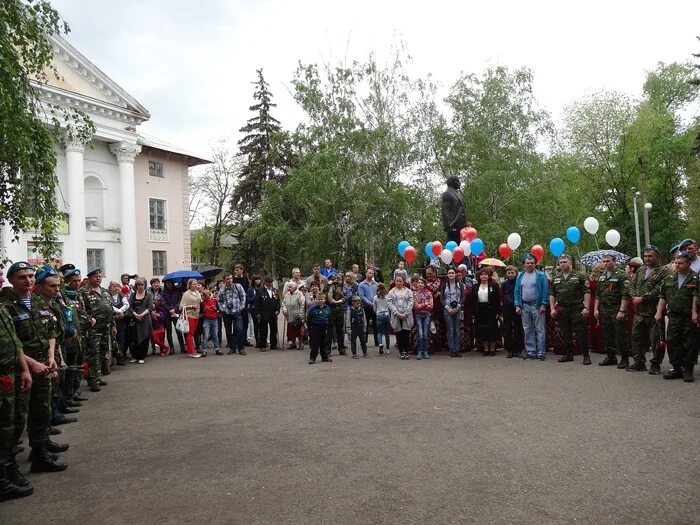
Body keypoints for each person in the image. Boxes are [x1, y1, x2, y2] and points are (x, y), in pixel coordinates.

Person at [1, 262, 67, 474]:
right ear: (11, 280)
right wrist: (32, 364)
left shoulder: (38, 302)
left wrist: (51, 357)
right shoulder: (6, 305)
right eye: (22, 277)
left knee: (42, 408)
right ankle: (8, 466)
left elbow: (51, 331)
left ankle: (39, 451)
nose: (28, 280)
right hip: (22, 367)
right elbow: (13, 342)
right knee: (17, 417)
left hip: (43, 363)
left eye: (30, 276)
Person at [0, 296, 33, 501]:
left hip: (10, 373)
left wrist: (24, 369)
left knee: (10, 424)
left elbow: (16, 342)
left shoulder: (2, 309)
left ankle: (8, 468)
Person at [628, 245, 670, 373]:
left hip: (654, 311)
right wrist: (634, 296)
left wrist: (643, 298)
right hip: (639, 311)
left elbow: (661, 289)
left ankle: (656, 363)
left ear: (658, 257)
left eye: (650, 256)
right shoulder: (641, 270)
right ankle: (639, 362)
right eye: (645, 256)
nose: (647, 259)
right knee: (636, 337)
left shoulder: (665, 271)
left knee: (656, 339)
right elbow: (632, 284)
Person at [656, 252, 697, 382]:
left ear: (689, 263)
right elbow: (663, 297)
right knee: (672, 342)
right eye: (675, 262)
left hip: (689, 317)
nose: (677, 265)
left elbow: (697, 297)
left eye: (680, 263)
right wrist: (658, 312)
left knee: (689, 343)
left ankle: (688, 370)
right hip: (673, 316)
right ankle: (677, 368)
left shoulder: (696, 278)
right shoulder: (669, 278)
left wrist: (695, 313)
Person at [549, 254, 592, 365]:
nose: (562, 264)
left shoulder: (580, 275)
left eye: (565, 262)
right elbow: (552, 295)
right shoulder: (557, 278)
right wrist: (552, 308)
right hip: (562, 308)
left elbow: (587, 292)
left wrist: (586, 307)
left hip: (577, 308)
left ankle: (586, 356)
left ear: (570, 263)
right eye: (561, 263)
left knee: (581, 332)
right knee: (565, 333)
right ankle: (568, 354)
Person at [80, 268, 115, 391]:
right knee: (93, 354)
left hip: (106, 327)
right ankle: (93, 380)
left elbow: (110, 308)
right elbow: (81, 310)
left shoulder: (105, 292)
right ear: (89, 278)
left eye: (100, 276)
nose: (98, 278)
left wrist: (113, 325)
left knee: (102, 352)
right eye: (95, 276)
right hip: (93, 329)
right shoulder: (84, 292)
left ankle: (97, 376)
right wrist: (88, 321)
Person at [593, 254, 631, 368]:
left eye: (608, 261)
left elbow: (626, 294)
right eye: (604, 261)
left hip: (616, 308)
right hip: (604, 309)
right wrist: (596, 309)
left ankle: (624, 359)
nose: (605, 263)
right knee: (607, 334)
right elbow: (597, 294)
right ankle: (611, 357)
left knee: (620, 334)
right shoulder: (601, 276)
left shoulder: (622, 275)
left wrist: (622, 310)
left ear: (614, 261)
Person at [471, 267, 502, 356]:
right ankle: (485, 348)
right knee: (483, 329)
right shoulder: (475, 286)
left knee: (492, 329)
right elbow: (473, 300)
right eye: (482, 275)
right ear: (479, 276)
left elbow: (497, 299)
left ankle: (492, 349)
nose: (483, 276)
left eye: (485, 274)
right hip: (480, 310)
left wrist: (498, 312)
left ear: (488, 276)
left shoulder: (494, 285)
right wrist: (473, 313)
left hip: (491, 310)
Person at [217, 273, 247, 355]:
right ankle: (232, 348)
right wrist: (222, 308)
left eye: (230, 278)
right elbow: (219, 300)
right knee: (228, 331)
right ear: (224, 280)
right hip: (226, 313)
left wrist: (241, 307)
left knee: (239, 329)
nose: (230, 280)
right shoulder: (222, 289)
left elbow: (243, 297)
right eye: (227, 279)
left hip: (237, 311)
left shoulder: (238, 286)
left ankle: (241, 348)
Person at [387, 275, 414, 360]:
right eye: (397, 281)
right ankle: (401, 351)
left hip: (406, 316)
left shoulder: (409, 291)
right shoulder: (391, 292)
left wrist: (406, 313)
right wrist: (396, 312)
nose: (398, 283)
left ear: (403, 282)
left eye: (400, 281)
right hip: (396, 316)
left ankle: (406, 351)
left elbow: (411, 302)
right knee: (399, 334)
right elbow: (389, 303)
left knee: (406, 334)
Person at [441, 268, 465, 358]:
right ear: (447, 275)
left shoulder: (460, 285)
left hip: (457, 309)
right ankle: (452, 349)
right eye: (449, 273)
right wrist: (448, 308)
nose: (451, 274)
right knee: (450, 330)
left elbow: (463, 297)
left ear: (455, 274)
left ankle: (457, 349)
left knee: (457, 331)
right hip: (448, 310)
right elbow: (442, 299)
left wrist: (458, 307)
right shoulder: (444, 285)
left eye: (452, 273)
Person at [128, 278, 153, 364]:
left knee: (144, 337)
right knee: (133, 338)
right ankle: (134, 356)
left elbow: (150, 307)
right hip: (134, 319)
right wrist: (135, 315)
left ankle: (142, 356)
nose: (140, 287)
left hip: (145, 319)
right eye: (138, 285)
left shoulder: (149, 295)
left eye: (141, 285)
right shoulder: (132, 295)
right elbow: (129, 306)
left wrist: (141, 315)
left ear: (144, 285)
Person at [502, 265, 524, 358]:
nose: (510, 275)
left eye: (512, 273)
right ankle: (509, 349)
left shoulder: (519, 283)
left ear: (516, 273)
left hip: (517, 307)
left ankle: (518, 349)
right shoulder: (504, 284)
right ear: (506, 274)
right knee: (508, 328)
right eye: (509, 273)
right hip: (507, 307)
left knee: (518, 328)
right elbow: (502, 295)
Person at [325, 273, 347, 356]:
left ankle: (341, 348)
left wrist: (339, 301)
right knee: (329, 331)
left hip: (339, 309)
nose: (338, 281)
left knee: (340, 331)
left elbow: (346, 297)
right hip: (331, 309)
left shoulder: (341, 287)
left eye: (340, 279)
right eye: (336, 279)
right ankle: (327, 350)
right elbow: (327, 297)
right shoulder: (329, 287)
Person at [306, 292, 332, 364]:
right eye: (318, 299)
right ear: (316, 300)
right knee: (315, 343)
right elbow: (309, 319)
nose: (320, 301)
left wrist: (328, 326)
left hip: (324, 327)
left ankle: (324, 357)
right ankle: (312, 358)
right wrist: (309, 328)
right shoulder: (312, 309)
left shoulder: (327, 308)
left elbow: (329, 318)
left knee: (324, 343)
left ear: (324, 300)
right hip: (315, 327)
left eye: (322, 299)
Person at [179, 279, 202, 358]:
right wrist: (191, 306)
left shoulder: (197, 292)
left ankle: (191, 350)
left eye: (196, 284)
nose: (195, 285)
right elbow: (181, 307)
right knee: (190, 333)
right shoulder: (186, 294)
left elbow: (200, 301)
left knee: (194, 332)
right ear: (189, 285)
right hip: (189, 315)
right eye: (193, 284)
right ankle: (191, 352)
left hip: (196, 315)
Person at [255, 276, 280, 351]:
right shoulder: (260, 290)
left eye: (271, 282)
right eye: (268, 282)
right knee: (263, 330)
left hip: (273, 313)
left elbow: (278, 302)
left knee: (274, 330)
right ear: (265, 282)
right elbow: (257, 303)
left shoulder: (275, 291)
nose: (270, 284)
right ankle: (262, 345)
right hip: (263, 313)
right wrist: (258, 313)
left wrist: (277, 310)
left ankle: (273, 344)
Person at [108, 280, 129, 364]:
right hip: (111, 320)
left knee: (121, 340)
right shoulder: (107, 295)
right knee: (112, 340)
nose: (116, 288)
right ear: (110, 288)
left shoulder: (121, 295)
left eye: (118, 286)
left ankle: (120, 357)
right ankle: (112, 358)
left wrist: (121, 311)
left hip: (120, 322)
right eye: (114, 286)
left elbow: (126, 304)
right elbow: (109, 305)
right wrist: (119, 312)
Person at [358, 268, 380, 348]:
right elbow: (362, 296)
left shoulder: (376, 284)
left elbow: (378, 295)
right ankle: (364, 341)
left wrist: (375, 304)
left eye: (372, 273)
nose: (371, 274)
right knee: (365, 324)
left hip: (375, 307)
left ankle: (377, 342)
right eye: (370, 273)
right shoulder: (361, 284)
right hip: (365, 307)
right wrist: (370, 303)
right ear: (366, 273)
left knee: (376, 325)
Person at [441, 175, 467, 243]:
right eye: (457, 181)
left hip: (462, 227)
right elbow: (445, 211)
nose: (459, 183)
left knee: (462, 249)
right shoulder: (447, 194)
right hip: (453, 227)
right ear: (452, 182)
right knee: (453, 249)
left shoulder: (458, 194)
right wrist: (448, 227)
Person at [412, 276, 433, 360]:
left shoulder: (429, 293)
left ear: (424, 284)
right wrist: (425, 304)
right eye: (419, 282)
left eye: (422, 283)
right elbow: (416, 306)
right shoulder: (415, 294)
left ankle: (425, 351)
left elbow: (431, 306)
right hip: (418, 315)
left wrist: (423, 305)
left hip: (427, 315)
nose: (420, 284)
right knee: (420, 334)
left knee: (425, 334)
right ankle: (419, 351)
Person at [162, 280, 185, 355]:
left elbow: (179, 301)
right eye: (167, 283)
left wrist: (174, 309)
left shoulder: (177, 291)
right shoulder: (163, 292)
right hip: (167, 313)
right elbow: (163, 302)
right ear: (165, 284)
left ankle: (182, 348)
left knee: (178, 330)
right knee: (169, 332)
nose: (169, 284)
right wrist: (169, 310)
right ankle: (171, 348)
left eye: (170, 282)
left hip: (175, 312)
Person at [282, 282, 306, 351]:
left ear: (295, 287)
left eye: (290, 287)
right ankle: (293, 344)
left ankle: (301, 344)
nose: (288, 288)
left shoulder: (299, 294)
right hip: (289, 315)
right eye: (288, 287)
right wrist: (284, 310)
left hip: (297, 315)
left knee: (298, 331)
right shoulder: (287, 294)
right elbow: (283, 303)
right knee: (291, 331)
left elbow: (302, 305)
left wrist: (300, 315)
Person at [232, 264, 251, 345]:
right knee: (236, 322)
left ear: (242, 270)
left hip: (244, 303)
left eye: (238, 270)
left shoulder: (245, 279)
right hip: (236, 304)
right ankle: (236, 340)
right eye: (235, 270)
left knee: (245, 322)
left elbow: (247, 290)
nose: (236, 271)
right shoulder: (233, 279)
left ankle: (244, 340)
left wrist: (247, 303)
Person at [199, 289, 219, 357]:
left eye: (207, 295)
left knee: (215, 334)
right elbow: (201, 313)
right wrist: (204, 310)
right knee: (206, 335)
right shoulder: (202, 303)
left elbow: (218, 310)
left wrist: (215, 308)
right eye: (204, 295)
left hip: (214, 319)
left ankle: (217, 349)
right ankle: (205, 350)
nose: (206, 296)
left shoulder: (214, 300)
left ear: (209, 294)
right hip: (206, 319)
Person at [373, 283, 390, 355]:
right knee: (386, 333)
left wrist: (377, 312)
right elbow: (389, 306)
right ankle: (388, 348)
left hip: (379, 315)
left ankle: (380, 344)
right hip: (386, 315)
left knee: (379, 332)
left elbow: (374, 308)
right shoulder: (387, 296)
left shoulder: (375, 297)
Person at [246, 276, 261, 348]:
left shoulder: (262, 288)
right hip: (253, 309)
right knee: (256, 325)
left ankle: (262, 340)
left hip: (261, 309)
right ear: (253, 281)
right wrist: (255, 296)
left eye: (259, 279)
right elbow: (248, 300)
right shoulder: (250, 289)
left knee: (262, 325)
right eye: (256, 279)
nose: (258, 281)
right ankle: (257, 341)